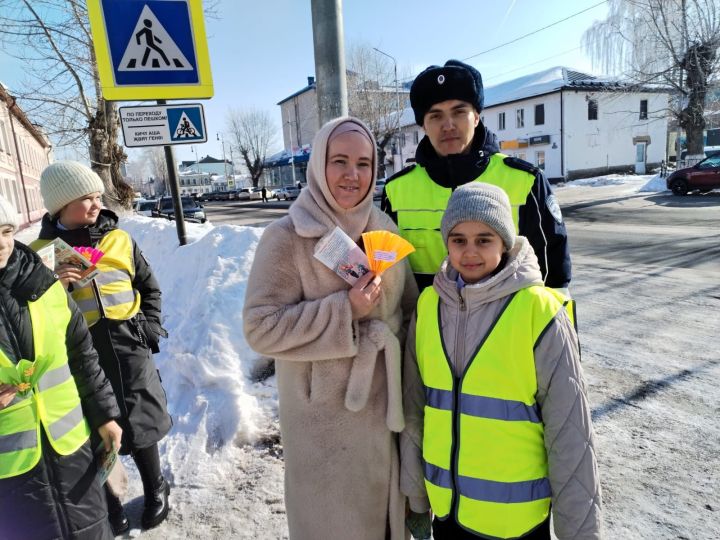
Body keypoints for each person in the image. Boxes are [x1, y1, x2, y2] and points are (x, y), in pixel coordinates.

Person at [244, 117, 418, 540]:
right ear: (318, 164)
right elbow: (260, 328)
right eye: (339, 161)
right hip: (322, 428)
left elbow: (408, 311)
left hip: (384, 417)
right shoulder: (287, 237)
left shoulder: (384, 229)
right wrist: (344, 311)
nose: (352, 175)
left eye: (363, 163)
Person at [400, 183, 601, 540]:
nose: (470, 251)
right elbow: (416, 408)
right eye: (459, 239)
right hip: (448, 515)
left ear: (505, 242)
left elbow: (570, 433)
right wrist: (417, 496)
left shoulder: (539, 311)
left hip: (516, 522)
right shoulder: (429, 306)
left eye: (484, 239)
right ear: (446, 242)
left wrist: (579, 533)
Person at [30, 161, 172, 534]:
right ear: (60, 206)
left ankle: (157, 488)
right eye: (84, 199)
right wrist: (52, 286)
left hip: (129, 345)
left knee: (141, 421)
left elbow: (149, 286)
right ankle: (110, 502)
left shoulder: (119, 239)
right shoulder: (40, 253)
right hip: (80, 354)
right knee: (97, 430)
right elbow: (28, 317)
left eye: (97, 196)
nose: (95, 205)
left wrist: (150, 327)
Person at [381, 60, 571, 292]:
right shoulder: (396, 191)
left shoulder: (525, 181)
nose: (448, 125)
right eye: (436, 116)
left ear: (477, 116)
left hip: (507, 326)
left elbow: (554, 279)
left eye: (459, 112)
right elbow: (389, 277)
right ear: (423, 125)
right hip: (426, 327)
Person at [0, 194, 123, 540]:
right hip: (10, 478)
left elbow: (82, 355)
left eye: (7, 230)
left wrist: (105, 416)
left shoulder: (43, 285)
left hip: (73, 455)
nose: (1, 243)